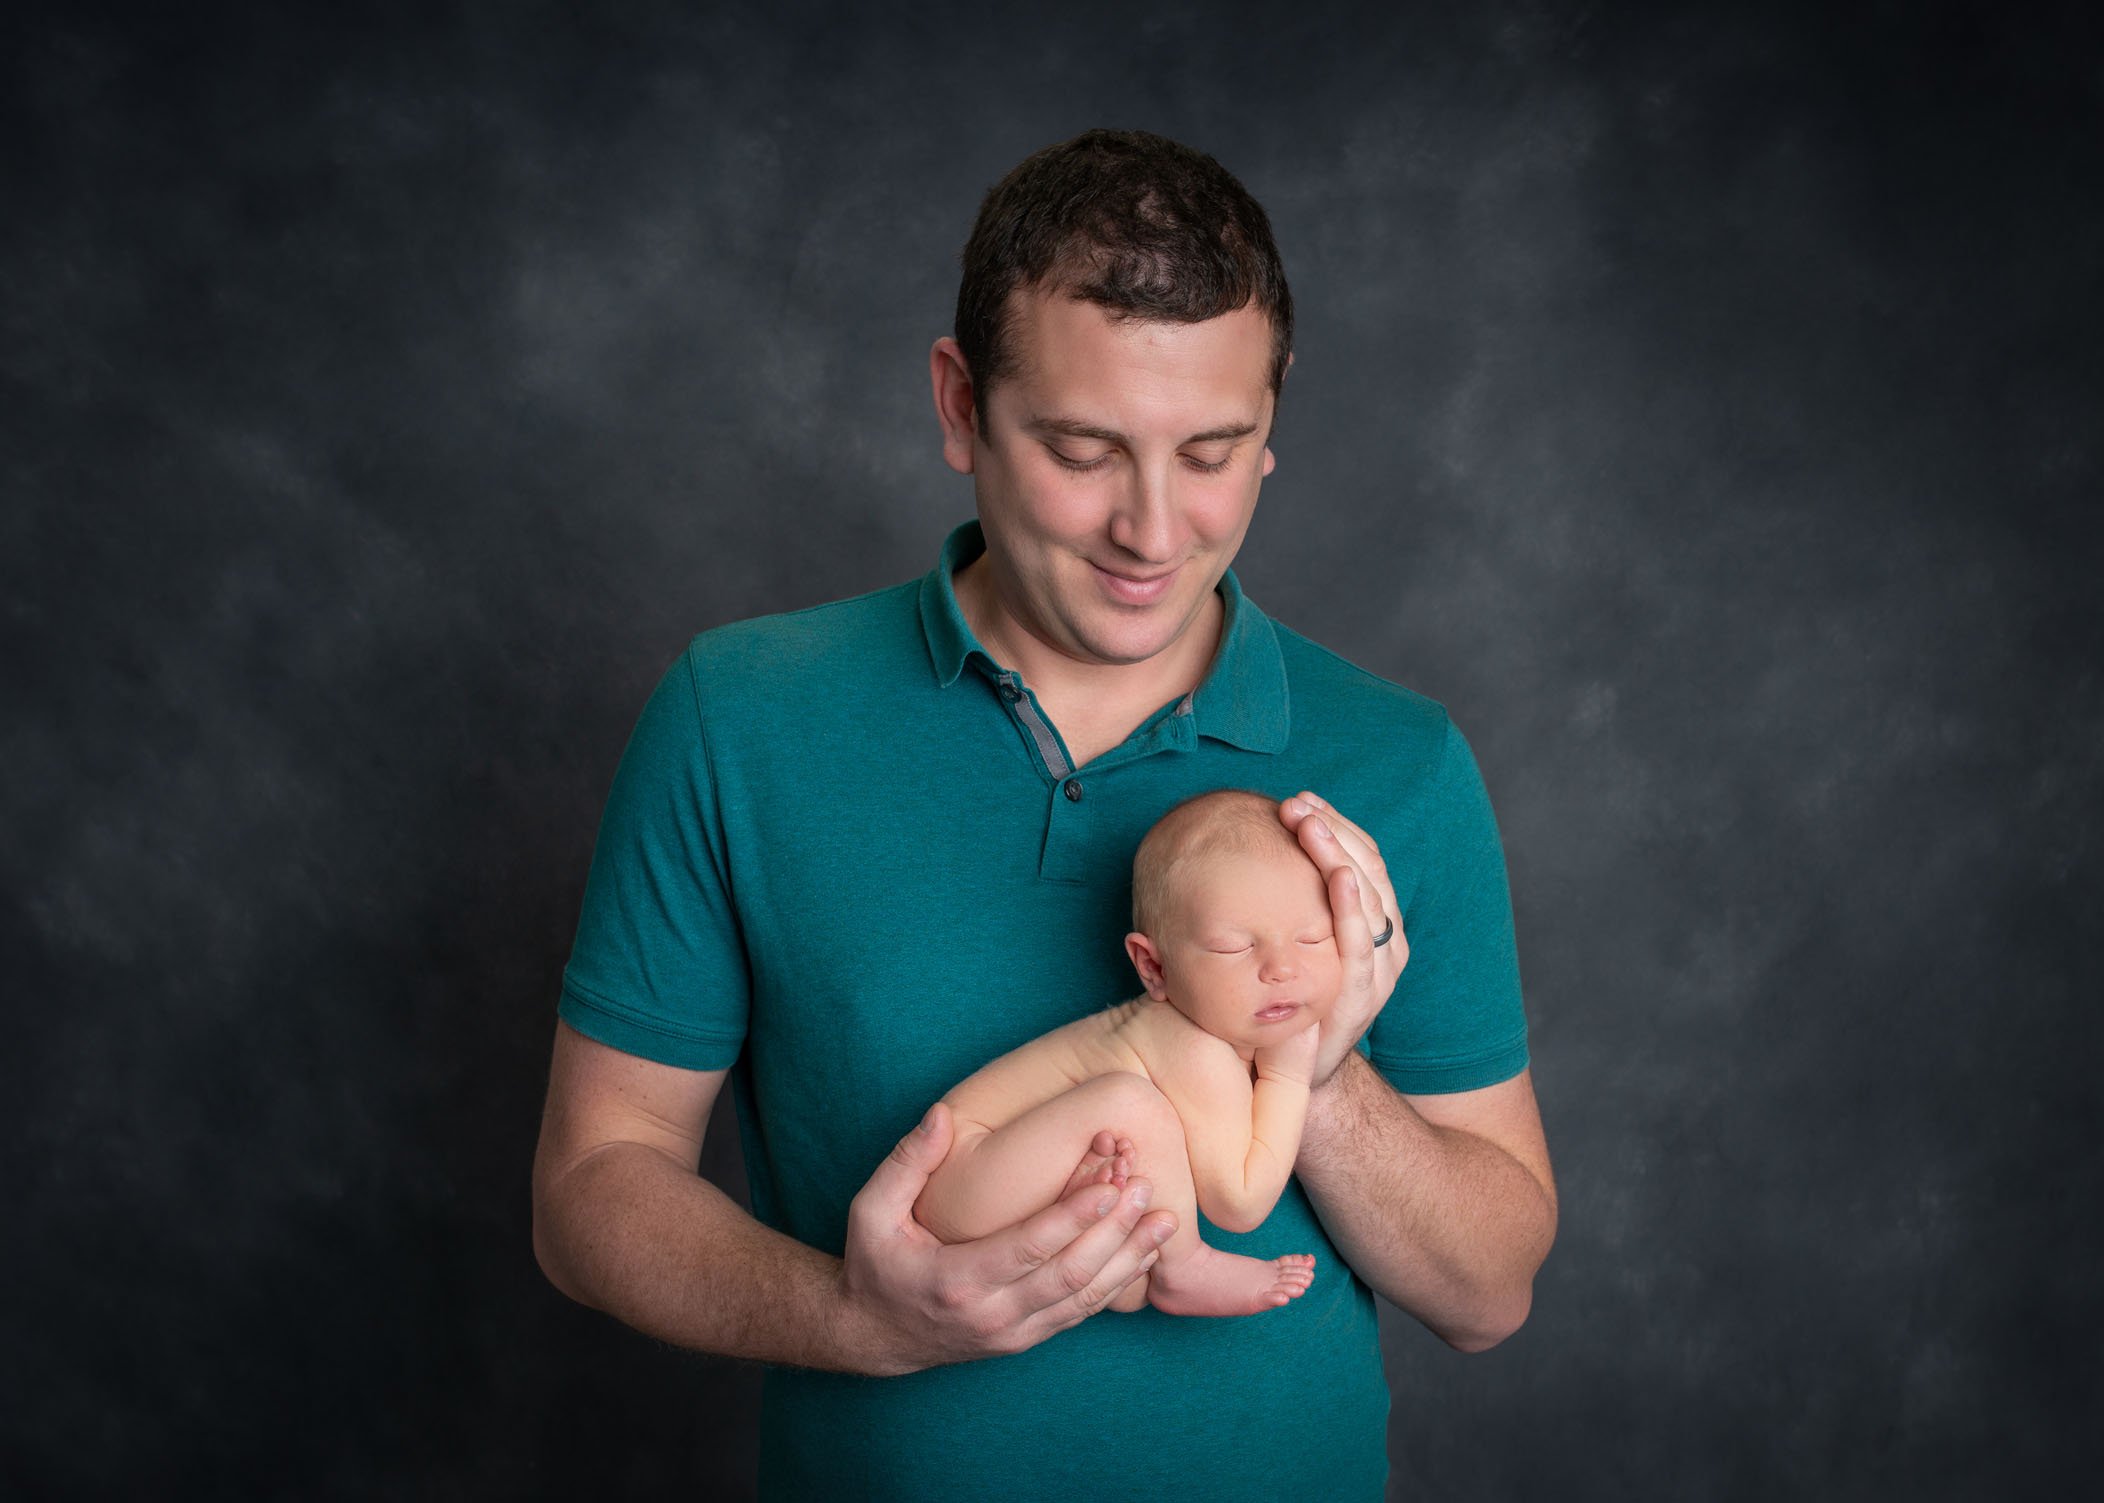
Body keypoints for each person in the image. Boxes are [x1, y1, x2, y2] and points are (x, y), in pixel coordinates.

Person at [531, 128, 1556, 1501]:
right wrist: (855, 1315)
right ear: (960, 404)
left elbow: (1490, 1290)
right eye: (1083, 446)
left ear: (1274, 417)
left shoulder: (1397, 759)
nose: (1152, 528)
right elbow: (594, 1183)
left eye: (1214, 450)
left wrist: (1303, 1049)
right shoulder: (742, 715)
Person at [914, 789, 1338, 1318]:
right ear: (1153, 967)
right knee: (1131, 1103)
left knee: (1135, 1175)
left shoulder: (1183, 1034)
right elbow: (1241, 1203)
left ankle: (1135, 1270)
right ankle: (1183, 1268)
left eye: (1314, 939)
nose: (1282, 968)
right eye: (1234, 946)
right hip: (961, 1182)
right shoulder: (1196, 1050)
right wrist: (1289, 1076)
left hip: (997, 1183)